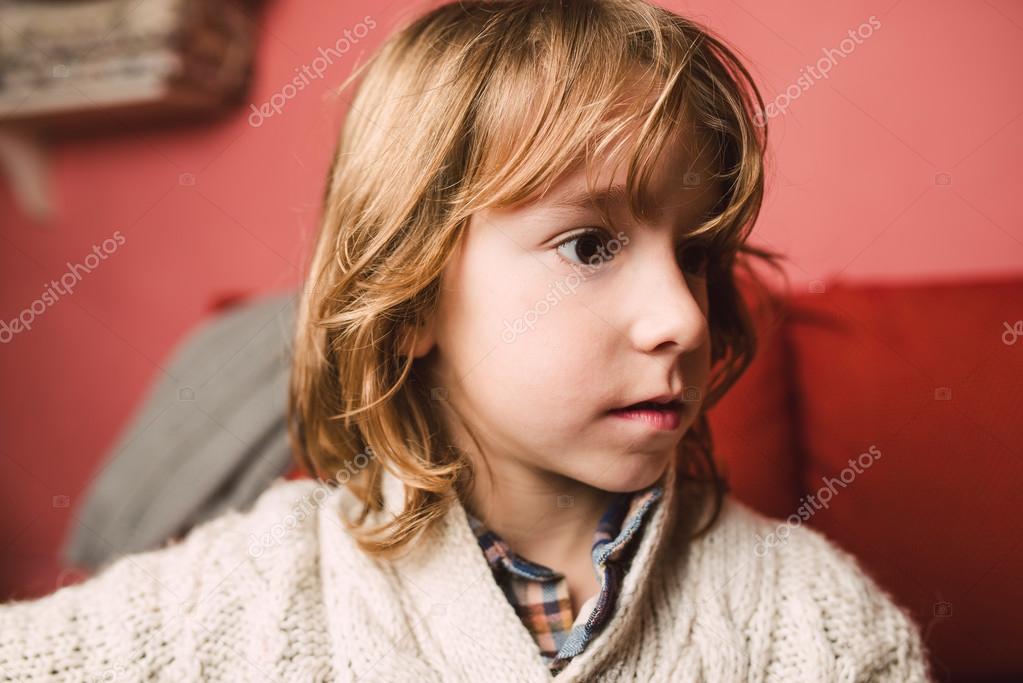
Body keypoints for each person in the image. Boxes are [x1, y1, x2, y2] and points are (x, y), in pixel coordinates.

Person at [0, 1, 934, 680]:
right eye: (589, 243)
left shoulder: (814, 619)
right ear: (406, 306)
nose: (684, 318)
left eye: (694, 255)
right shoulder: (259, 588)